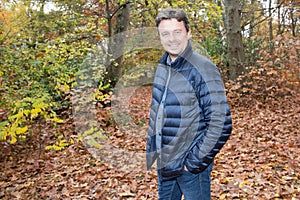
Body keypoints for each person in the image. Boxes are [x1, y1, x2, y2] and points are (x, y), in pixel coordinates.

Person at [146, 8, 232, 200]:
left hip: (191, 167)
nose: (172, 39)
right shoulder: (163, 67)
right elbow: (158, 112)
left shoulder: (203, 68)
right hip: (165, 163)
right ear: (159, 38)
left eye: (177, 32)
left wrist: (192, 163)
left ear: (188, 33)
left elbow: (221, 123)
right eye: (165, 34)